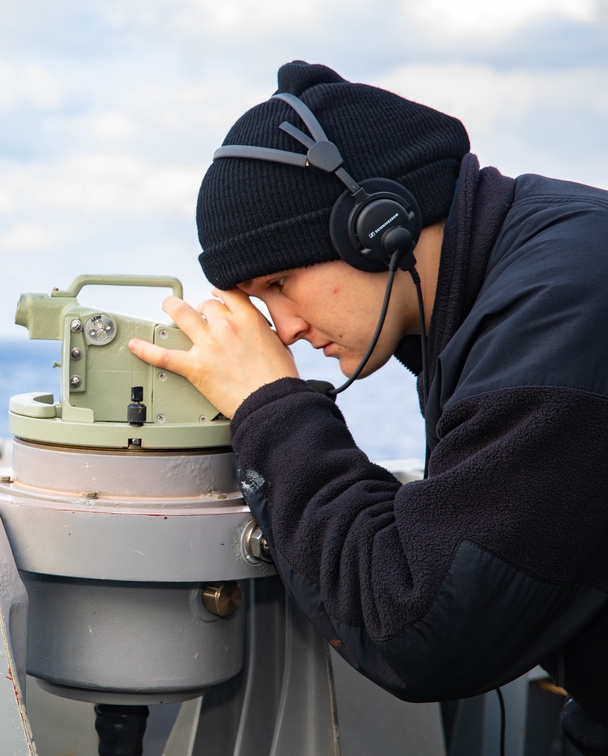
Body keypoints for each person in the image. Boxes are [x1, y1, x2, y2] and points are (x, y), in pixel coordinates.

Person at [128, 60, 608, 754]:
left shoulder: (563, 314)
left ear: (378, 223)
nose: (284, 328)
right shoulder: (524, 269)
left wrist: (271, 407)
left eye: (281, 282)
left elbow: (418, 628)